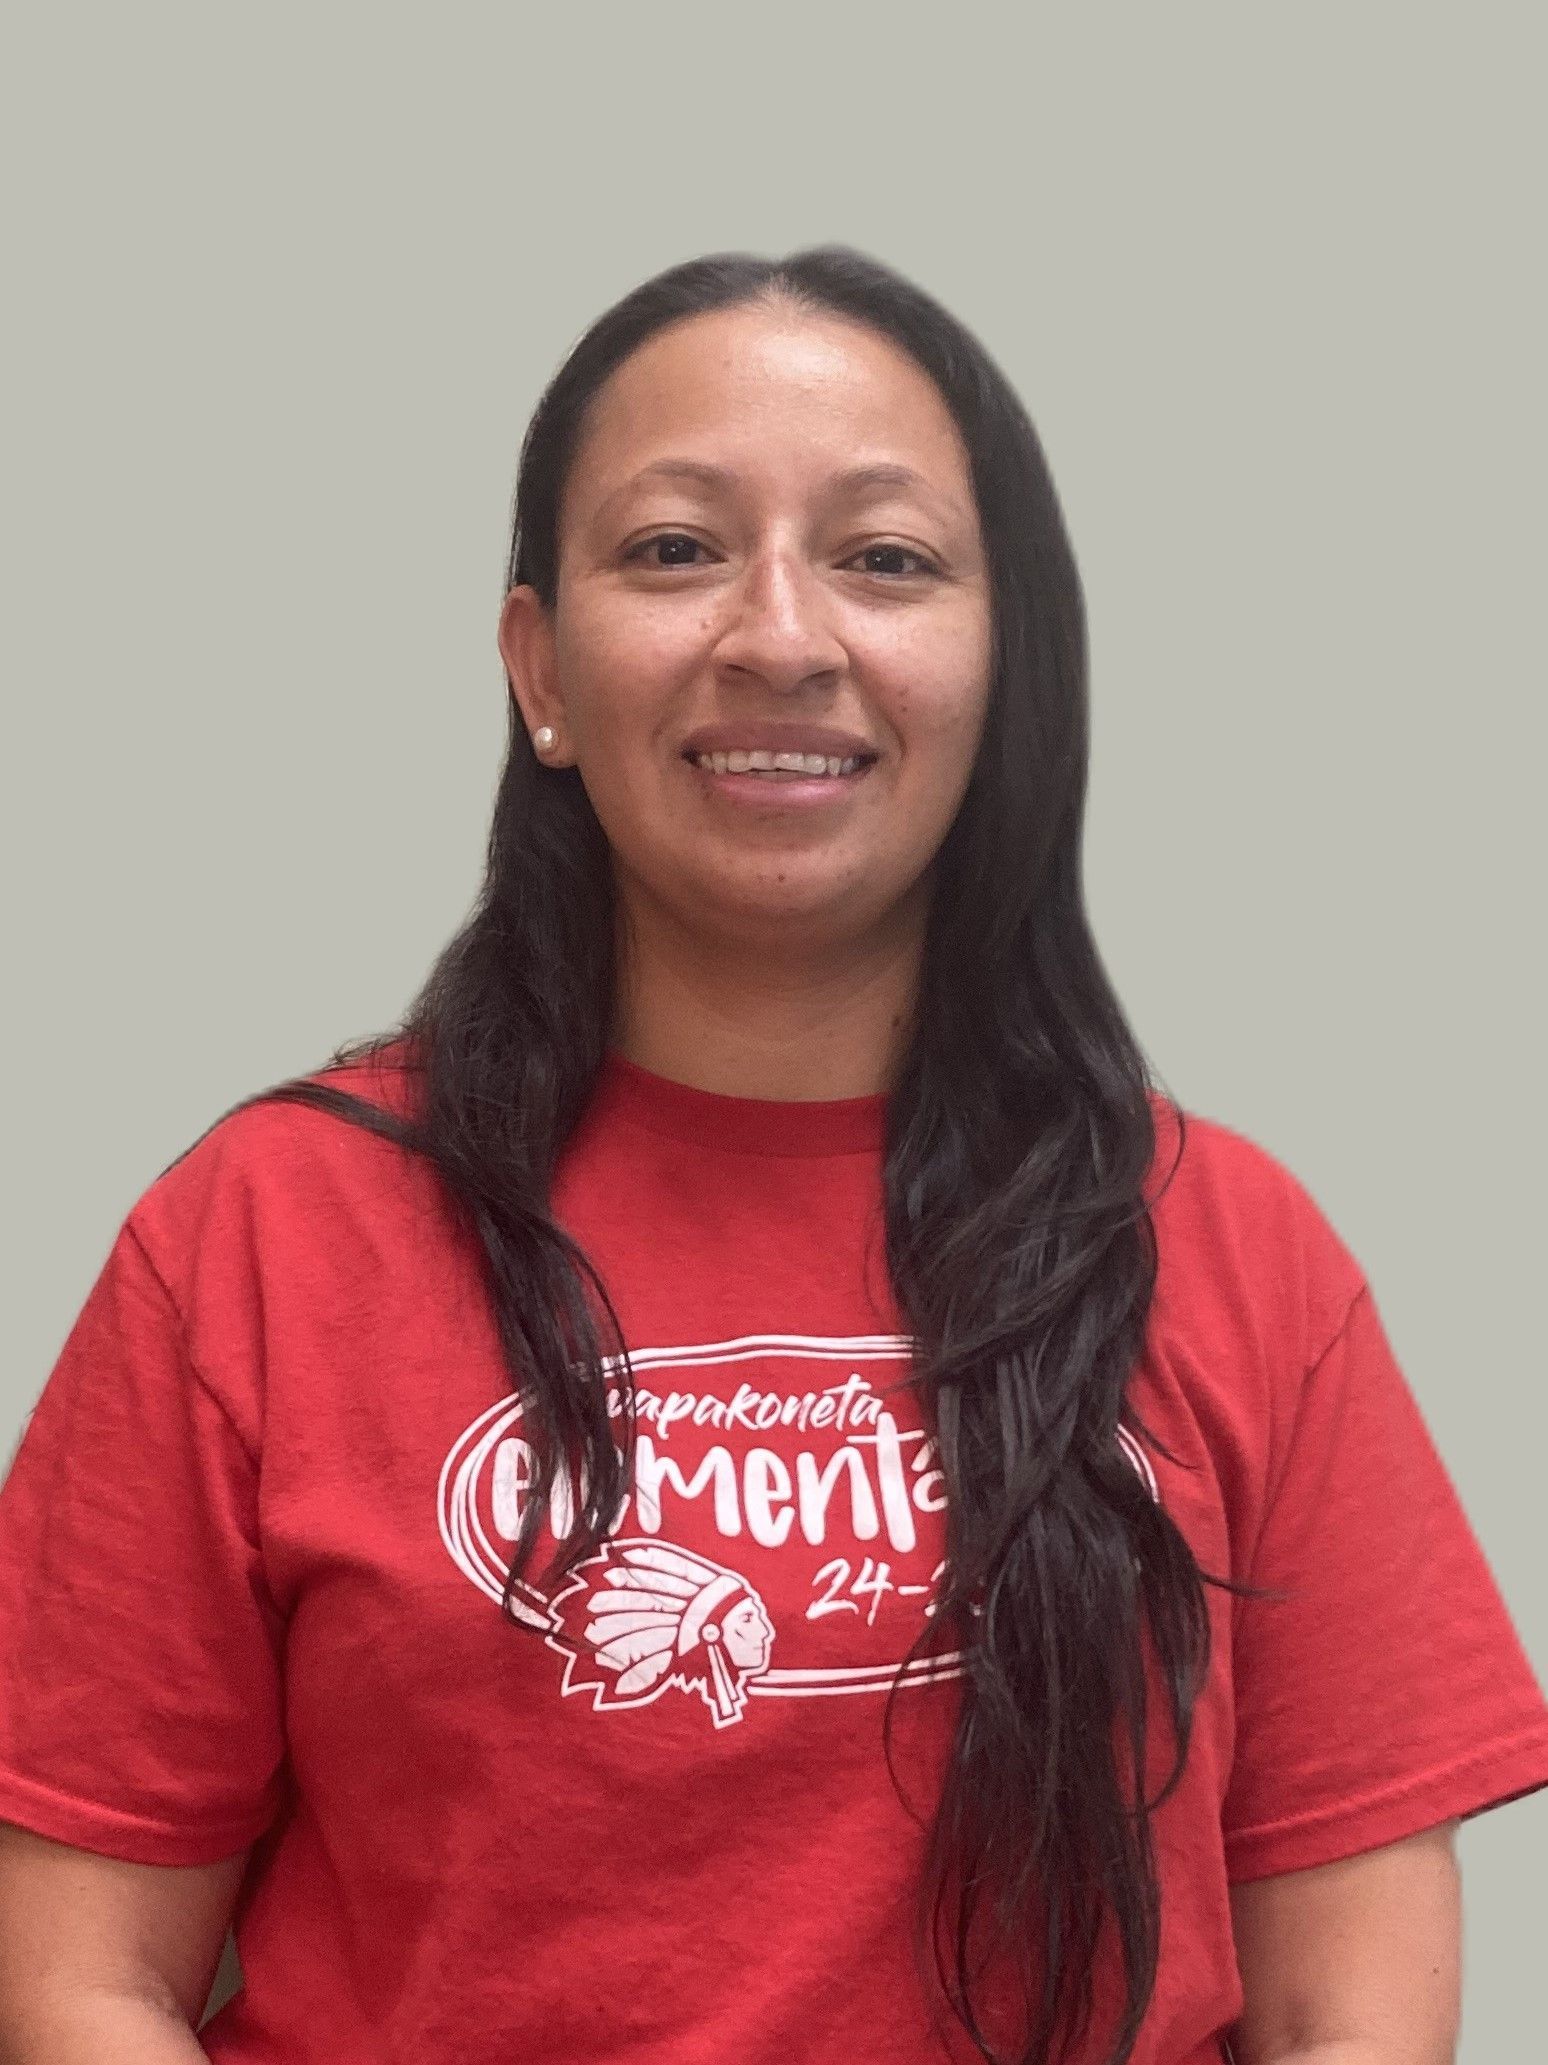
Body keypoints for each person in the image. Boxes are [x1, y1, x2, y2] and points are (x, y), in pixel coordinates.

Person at [0, 245, 1543, 2065]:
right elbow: (76, 1978)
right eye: (674, 550)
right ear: (538, 668)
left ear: (1005, 667)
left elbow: (1344, 2010)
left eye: (886, 558)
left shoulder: (1230, 1244)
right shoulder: (260, 1235)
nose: (784, 636)